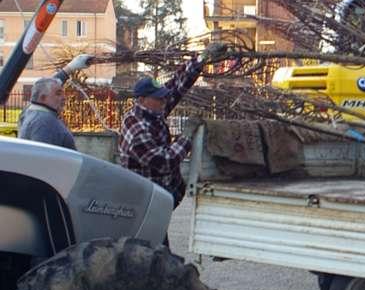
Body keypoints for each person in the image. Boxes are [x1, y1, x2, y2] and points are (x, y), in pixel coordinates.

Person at [118, 42, 225, 208]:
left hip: (160, 193)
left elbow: (177, 85)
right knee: (151, 234)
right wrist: (187, 136)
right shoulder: (137, 129)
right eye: (158, 98)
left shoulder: (152, 112)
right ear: (142, 100)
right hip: (144, 199)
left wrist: (202, 59)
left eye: (162, 97)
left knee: (158, 234)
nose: (163, 101)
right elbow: (165, 160)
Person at [17, 54, 93, 149]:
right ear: (43, 98)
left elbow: (49, 84)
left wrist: (71, 67)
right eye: (58, 93)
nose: (64, 97)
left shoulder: (30, 111)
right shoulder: (44, 123)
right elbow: (46, 159)